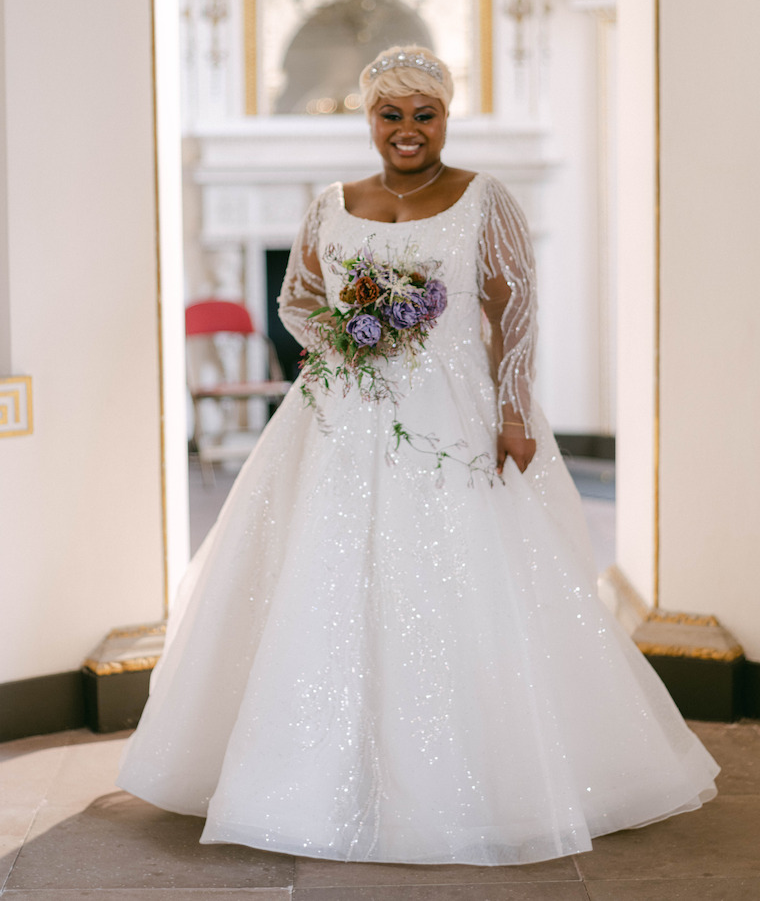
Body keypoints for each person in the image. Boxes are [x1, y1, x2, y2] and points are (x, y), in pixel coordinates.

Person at [118, 45, 718, 866]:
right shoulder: (332, 203)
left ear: (445, 117)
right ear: (370, 119)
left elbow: (516, 308)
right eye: (390, 114)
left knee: (460, 572)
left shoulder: (483, 198)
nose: (407, 129)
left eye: (424, 114)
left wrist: (513, 409)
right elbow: (295, 300)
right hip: (340, 414)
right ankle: (309, 778)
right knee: (325, 571)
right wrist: (347, 336)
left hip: (452, 417)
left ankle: (473, 778)